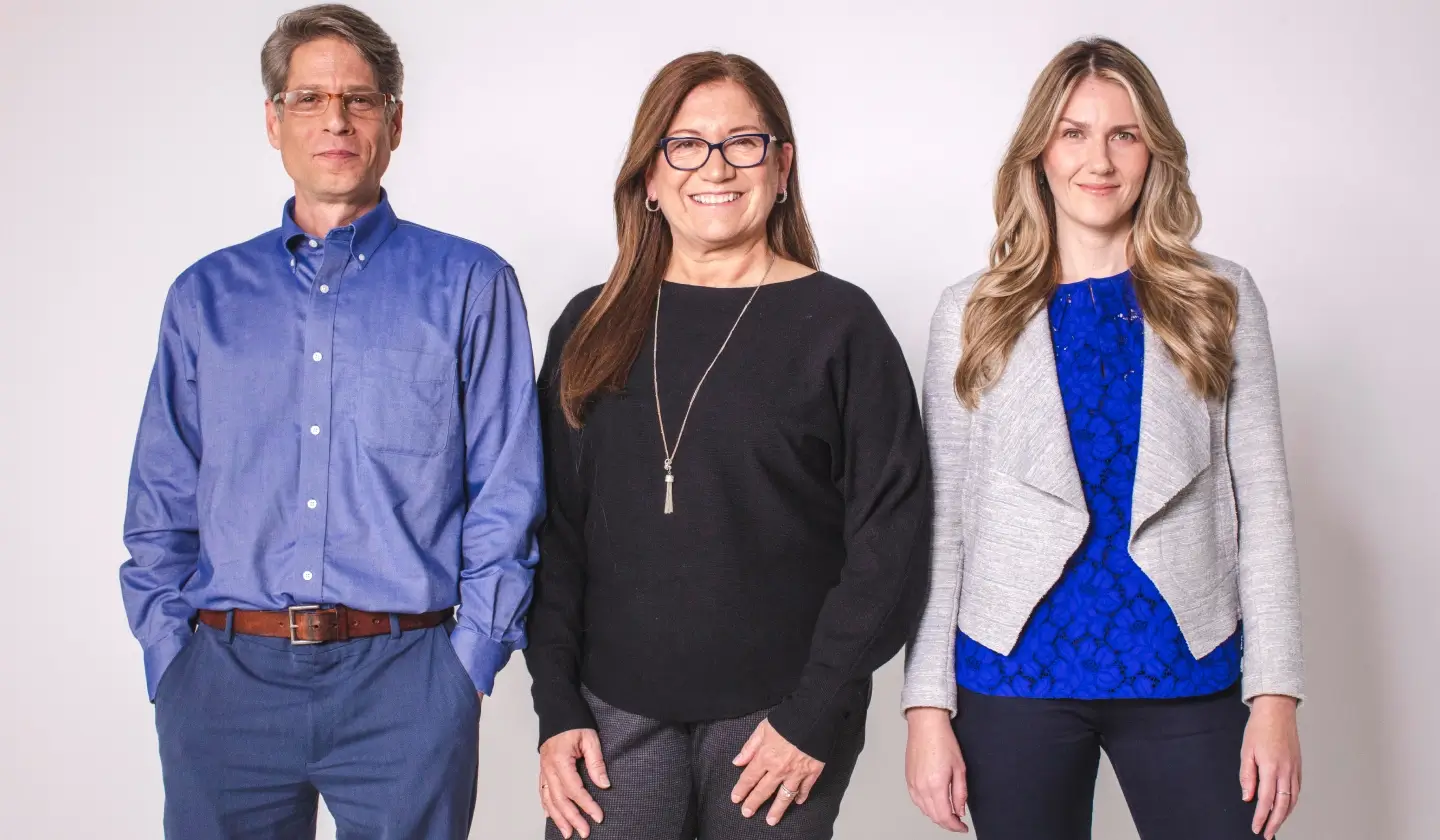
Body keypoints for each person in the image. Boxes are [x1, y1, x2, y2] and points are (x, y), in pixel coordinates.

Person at [117, 5, 544, 837]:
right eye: (309, 98)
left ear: (394, 121)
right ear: (273, 120)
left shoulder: (471, 284)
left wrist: (470, 663)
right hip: (224, 680)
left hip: (408, 680)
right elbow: (161, 492)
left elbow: (507, 485)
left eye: (360, 98)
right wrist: (172, 657)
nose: (336, 119)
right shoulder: (204, 297)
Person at [902, 37, 1304, 840]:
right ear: (1038, 153)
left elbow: (1262, 507)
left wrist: (1276, 697)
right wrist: (924, 708)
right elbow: (941, 523)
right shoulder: (970, 311)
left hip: (1185, 666)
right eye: (1073, 132)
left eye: (1123, 133)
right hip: (1012, 677)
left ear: (1153, 151)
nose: (1100, 159)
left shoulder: (1220, 297)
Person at [525, 51, 931, 840]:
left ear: (782, 168)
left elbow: (891, 538)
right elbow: (555, 532)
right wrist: (556, 706)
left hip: (778, 720)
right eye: (685, 144)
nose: (714, 166)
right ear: (648, 175)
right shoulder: (589, 326)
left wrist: (817, 711)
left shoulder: (843, 325)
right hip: (610, 713)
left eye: (743, 142)